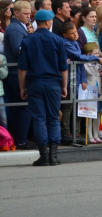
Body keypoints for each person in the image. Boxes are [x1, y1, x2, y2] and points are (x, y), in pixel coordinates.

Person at [18, 9, 68, 166]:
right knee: (53, 118)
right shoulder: (58, 40)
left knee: (39, 118)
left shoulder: (28, 40)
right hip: (53, 83)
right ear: (47, 22)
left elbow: (22, 69)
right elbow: (63, 67)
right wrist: (64, 86)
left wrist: (22, 88)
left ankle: (44, 155)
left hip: (35, 83)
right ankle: (53, 156)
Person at [4, 0, 34, 149]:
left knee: (19, 107)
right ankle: (21, 139)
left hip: (17, 72)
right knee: (23, 106)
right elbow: (19, 50)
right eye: (25, 13)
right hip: (16, 73)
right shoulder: (15, 29)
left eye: (29, 13)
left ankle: (18, 138)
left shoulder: (18, 26)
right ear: (16, 13)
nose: (28, 16)